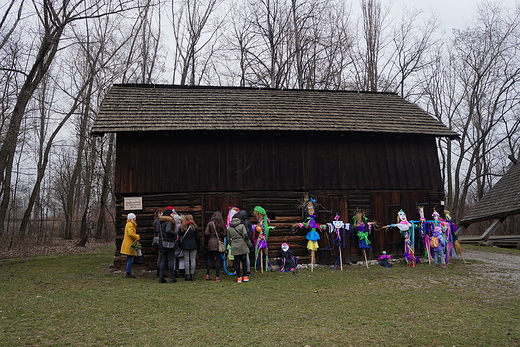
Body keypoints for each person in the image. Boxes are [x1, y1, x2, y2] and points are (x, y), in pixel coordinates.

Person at [227, 213, 250, 283]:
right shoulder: (242, 226)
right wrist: (248, 244)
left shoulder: (229, 229)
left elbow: (228, 239)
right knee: (244, 261)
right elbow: (245, 236)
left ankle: (239, 277)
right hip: (242, 245)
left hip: (235, 246)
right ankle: (245, 276)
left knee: (236, 262)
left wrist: (232, 244)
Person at [205, 211, 227, 281]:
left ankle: (208, 274)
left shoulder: (210, 223)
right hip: (218, 243)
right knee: (218, 259)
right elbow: (225, 233)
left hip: (211, 242)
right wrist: (221, 237)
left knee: (210, 259)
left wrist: (210, 236)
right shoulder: (222, 224)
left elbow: (206, 232)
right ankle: (217, 276)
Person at [158, 209, 178, 283]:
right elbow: (168, 230)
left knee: (163, 261)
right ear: (169, 215)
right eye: (172, 214)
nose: (173, 215)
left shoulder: (161, 222)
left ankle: (161, 278)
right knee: (170, 260)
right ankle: (172, 278)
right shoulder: (169, 222)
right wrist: (175, 234)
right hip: (169, 243)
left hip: (162, 243)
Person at [179, 214, 200, 281]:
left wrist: (180, 245)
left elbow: (179, 237)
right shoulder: (194, 227)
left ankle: (187, 275)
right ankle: (192, 275)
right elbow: (197, 238)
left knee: (186, 261)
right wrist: (198, 246)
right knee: (193, 260)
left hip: (185, 245)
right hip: (193, 245)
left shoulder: (182, 227)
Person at [120, 213, 140, 278]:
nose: (135, 218)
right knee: (130, 259)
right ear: (132, 218)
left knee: (130, 258)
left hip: (130, 243)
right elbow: (130, 233)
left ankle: (128, 272)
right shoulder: (129, 224)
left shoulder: (130, 224)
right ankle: (128, 272)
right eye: (134, 217)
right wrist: (137, 236)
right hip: (129, 244)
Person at [237, 210, 253, 278]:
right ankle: (246, 270)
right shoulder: (248, 221)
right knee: (246, 256)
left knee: (246, 257)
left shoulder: (246, 222)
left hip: (245, 241)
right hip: (246, 240)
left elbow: (246, 232)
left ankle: (247, 270)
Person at [172, 212, 185, 278]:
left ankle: (174, 272)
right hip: (180, 243)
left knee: (173, 258)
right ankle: (181, 272)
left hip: (172, 243)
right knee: (181, 258)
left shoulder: (171, 225)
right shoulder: (181, 226)